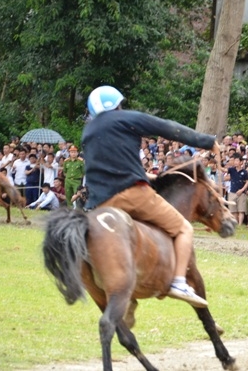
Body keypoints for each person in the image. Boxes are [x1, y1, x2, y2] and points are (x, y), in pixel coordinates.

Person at [82, 85, 221, 308]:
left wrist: (145, 174)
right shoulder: (125, 118)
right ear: (117, 105)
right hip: (133, 195)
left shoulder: (88, 132)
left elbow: (110, 164)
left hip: (101, 204)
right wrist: (206, 141)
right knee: (184, 228)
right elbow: (168, 128)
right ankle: (178, 282)